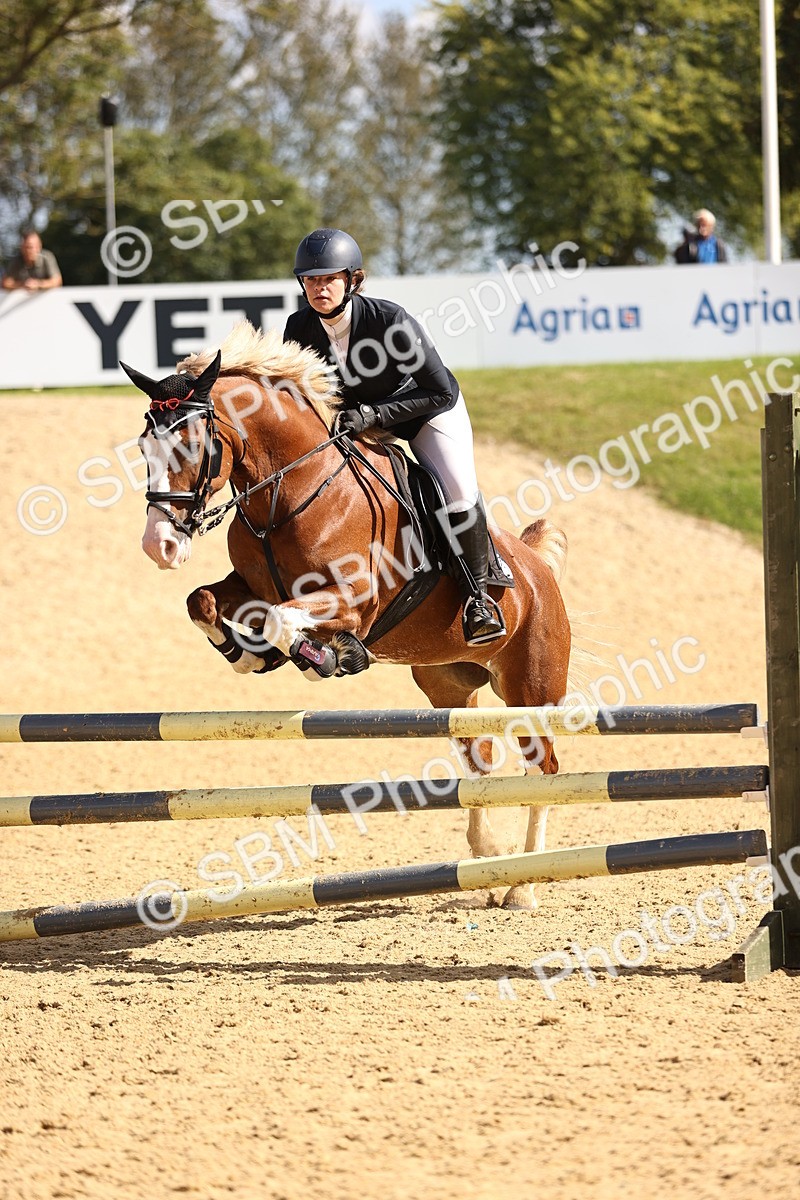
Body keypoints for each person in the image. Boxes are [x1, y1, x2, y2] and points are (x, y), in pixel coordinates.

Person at [284, 227, 505, 646]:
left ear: (353, 280)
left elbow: (441, 390)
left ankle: (479, 599)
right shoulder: (300, 327)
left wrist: (373, 414)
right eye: (310, 279)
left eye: (329, 278)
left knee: (457, 490)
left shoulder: (390, 321)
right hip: (356, 422)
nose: (319, 288)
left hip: (424, 412)